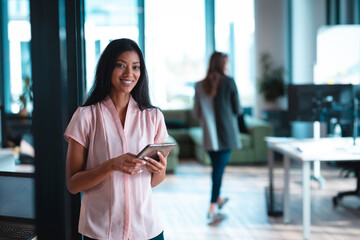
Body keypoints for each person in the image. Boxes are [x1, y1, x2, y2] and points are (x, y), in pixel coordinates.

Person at [64, 38, 169, 240]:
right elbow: (73, 184)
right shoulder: (86, 116)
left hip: (147, 230)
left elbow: (153, 182)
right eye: (121, 65)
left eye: (135, 67)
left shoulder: (153, 117)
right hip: (101, 231)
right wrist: (111, 165)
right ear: (107, 68)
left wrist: (160, 170)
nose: (129, 74)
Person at [192, 51, 242, 222]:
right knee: (218, 171)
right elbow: (238, 110)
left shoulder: (199, 85)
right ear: (222, 65)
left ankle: (218, 198)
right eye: (226, 63)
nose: (228, 66)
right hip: (226, 135)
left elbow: (196, 113)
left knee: (217, 169)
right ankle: (213, 206)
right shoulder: (229, 82)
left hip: (210, 136)